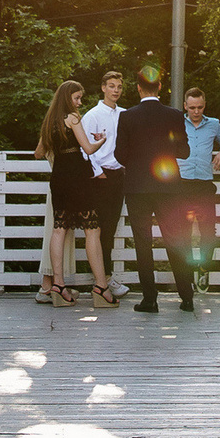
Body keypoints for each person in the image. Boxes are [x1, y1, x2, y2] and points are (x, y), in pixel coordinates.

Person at [115, 63, 195, 313]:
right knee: (176, 240)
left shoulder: (127, 116)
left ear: (138, 88)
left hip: (138, 188)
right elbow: (184, 151)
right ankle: (187, 297)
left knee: (143, 243)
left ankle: (150, 299)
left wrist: (138, 163)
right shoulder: (173, 115)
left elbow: (119, 155)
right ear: (160, 86)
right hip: (169, 187)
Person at [34, 79, 107, 307]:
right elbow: (88, 148)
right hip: (77, 178)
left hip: (59, 179)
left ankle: (58, 286)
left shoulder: (49, 122)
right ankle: (101, 287)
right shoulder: (73, 118)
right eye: (77, 98)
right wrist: (101, 140)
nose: (79, 102)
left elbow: (38, 153)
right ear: (68, 98)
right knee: (92, 229)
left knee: (59, 229)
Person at [79, 69, 128, 297]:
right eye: (111, 86)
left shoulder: (126, 114)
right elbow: (84, 149)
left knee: (111, 227)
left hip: (119, 175)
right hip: (101, 176)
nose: (115, 90)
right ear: (103, 88)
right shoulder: (92, 115)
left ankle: (105, 279)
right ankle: (104, 279)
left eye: (118, 86)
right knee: (98, 230)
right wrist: (98, 173)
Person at [178, 88, 220, 286]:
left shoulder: (214, 124)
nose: (196, 111)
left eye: (200, 107)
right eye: (192, 107)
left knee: (208, 230)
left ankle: (203, 269)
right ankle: (185, 274)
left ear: (204, 105)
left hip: (204, 185)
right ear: (185, 106)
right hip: (181, 185)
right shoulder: (177, 122)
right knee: (182, 231)